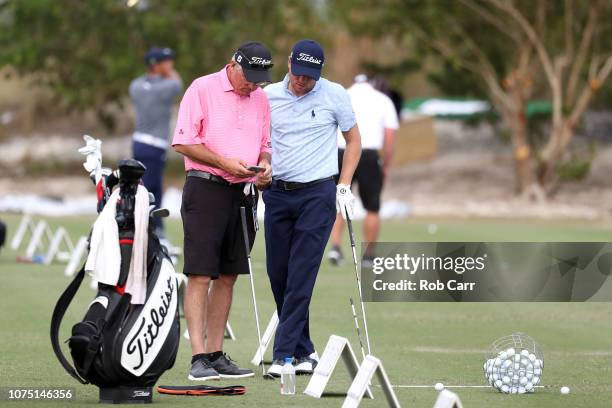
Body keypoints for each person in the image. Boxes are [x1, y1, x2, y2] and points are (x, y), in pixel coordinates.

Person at [171, 42, 274, 381]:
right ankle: (198, 358)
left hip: (243, 194)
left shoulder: (260, 98)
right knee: (201, 274)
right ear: (233, 64)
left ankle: (216, 353)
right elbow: (184, 142)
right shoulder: (202, 88)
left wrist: (265, 167)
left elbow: (265, 146)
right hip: (206, 188)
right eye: (250, 77)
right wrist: (223, 161)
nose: (254, 85)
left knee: (229, 276)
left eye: (260, 79)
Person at [262, 40, 362, 376]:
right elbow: (259, 141)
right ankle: (306, 351)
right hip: (276, 194)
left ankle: (284, 355)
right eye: (299, 73)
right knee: (278, 274)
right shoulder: (268, 96)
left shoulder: (334, 94)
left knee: (302, 274)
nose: (304, 81)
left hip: (318, 194)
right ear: (288, 63)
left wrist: (344, 184)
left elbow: (354, 140)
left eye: (310, 76)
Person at [328, 74, 399, 265]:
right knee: (372, 207)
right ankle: (368, 254)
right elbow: (390, 138)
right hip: (368, 155)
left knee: (339, 201)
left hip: (341, 153)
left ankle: (335, 248)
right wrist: (386, 164)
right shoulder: (383, 100)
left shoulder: (341, 95)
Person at [129, 47, 182, 236]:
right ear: (157, 65)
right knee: (151, 190)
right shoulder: (168, 87)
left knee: (147, 187)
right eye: (167, 62)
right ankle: (151, 229)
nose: (171, 65)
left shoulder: (135, 85)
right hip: (155, 146)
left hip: (138, 143)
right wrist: (168, 72)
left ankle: (153, 227)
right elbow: (178, 83)